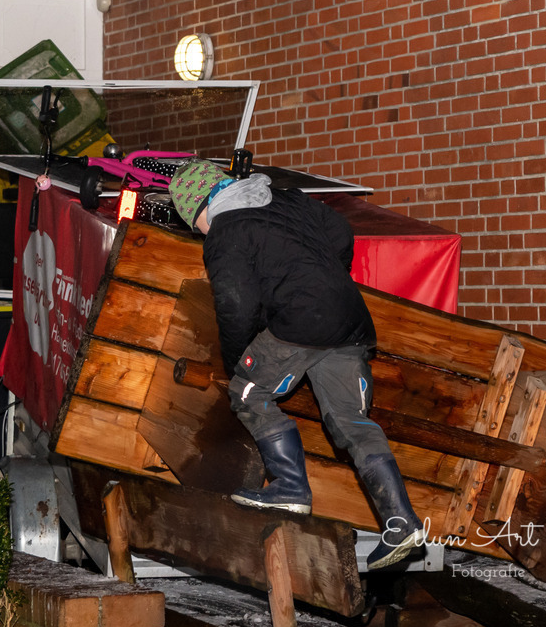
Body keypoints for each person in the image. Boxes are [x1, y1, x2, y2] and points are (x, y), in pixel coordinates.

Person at [169, 159, 425, 569]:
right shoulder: (286, 199)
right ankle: (401, 521)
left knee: (249, 393)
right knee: (352, 422)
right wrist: (326, 278)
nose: (197, 230)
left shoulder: (225, 232)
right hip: (351, 321)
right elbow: (340, 231)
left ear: (198, 207)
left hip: (301, 323)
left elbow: (236, 306)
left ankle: (289, 486)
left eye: (192, 222)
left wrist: (241, 365)